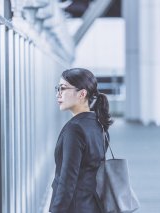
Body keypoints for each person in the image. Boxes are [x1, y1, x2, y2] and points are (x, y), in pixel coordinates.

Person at [49, 68, 113, 213]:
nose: (58, 93)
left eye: (63, 88)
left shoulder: (74, 129)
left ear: (82, 94)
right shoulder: (98, 124)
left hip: (74, 207)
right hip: (92, 205)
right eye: (57, 88)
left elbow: (67, 182)